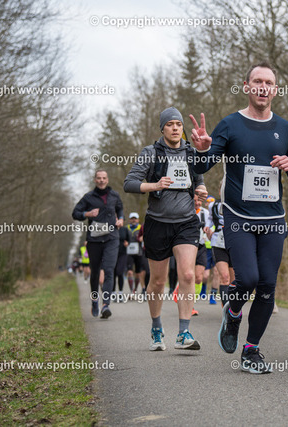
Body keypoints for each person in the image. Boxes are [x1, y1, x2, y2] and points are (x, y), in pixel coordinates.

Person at [190, 61, 288, 374]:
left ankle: (251, 350)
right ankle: (234, 312)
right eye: (257, 81)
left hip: (273, 217)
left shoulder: (285, 128)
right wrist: (201, 150)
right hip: (238, 215)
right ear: (246, 87)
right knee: (249, 279)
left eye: (268, 83)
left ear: (275, 90)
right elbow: (203, 167)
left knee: (267, 285)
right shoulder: (230, 124)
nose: (263, 87)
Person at [124, 107, 207, 351]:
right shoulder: (150, 153)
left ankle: (183, 332)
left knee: (188, 275)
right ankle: (156, 328)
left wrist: (201, 191)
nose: (175, 128)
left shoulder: (191, 152)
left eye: (178, 124)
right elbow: (129, 183)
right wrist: (155, 185)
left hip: (186, 222)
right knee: (158, 282)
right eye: (170, 124)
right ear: (162, 129)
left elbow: (199, 181)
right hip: (157, 223)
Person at [72, 170, 124, 319]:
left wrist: (121, 219)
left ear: (107, 180)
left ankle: (105, 305)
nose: (101, 180)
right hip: (94, 240)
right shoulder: (88, 197)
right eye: (99, 178)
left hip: (112, 238)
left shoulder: (114, 195)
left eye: (104, 178)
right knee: (95, 273)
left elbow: (120, 209)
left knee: (108, 270)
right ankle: (95, 300)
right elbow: (75, 213)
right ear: (95, 180)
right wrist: (87, 214)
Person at [205, 198, 235, 306]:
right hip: (218, 243)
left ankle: (233, 307)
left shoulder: (237, 202)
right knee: (224, 277)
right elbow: (210, 218)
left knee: (233, 280)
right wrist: (207, 226)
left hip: (235, 244)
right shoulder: (213, 205)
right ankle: (225, 309)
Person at [125, 212, 146, 293]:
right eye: (132, 218)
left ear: (138, 220)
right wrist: (124, 242)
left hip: (139, 253)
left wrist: (143, 238)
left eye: (135, 218)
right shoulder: (126, 228)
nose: (133, 220)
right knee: (130, 272)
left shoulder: (142, 228)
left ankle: (135, 289)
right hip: (129, 253)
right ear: (129, 220)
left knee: (138, 273)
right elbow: (122, 238)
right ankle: (131, 291)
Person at [114, 220, 129, 297]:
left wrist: (127, 243)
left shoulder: (125, 229)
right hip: (112, 253)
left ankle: (120, 292)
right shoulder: (111, 228)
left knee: (120, 272)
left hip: (122, 253)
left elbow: (128, 239)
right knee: (113, 273)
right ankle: (113, 292)